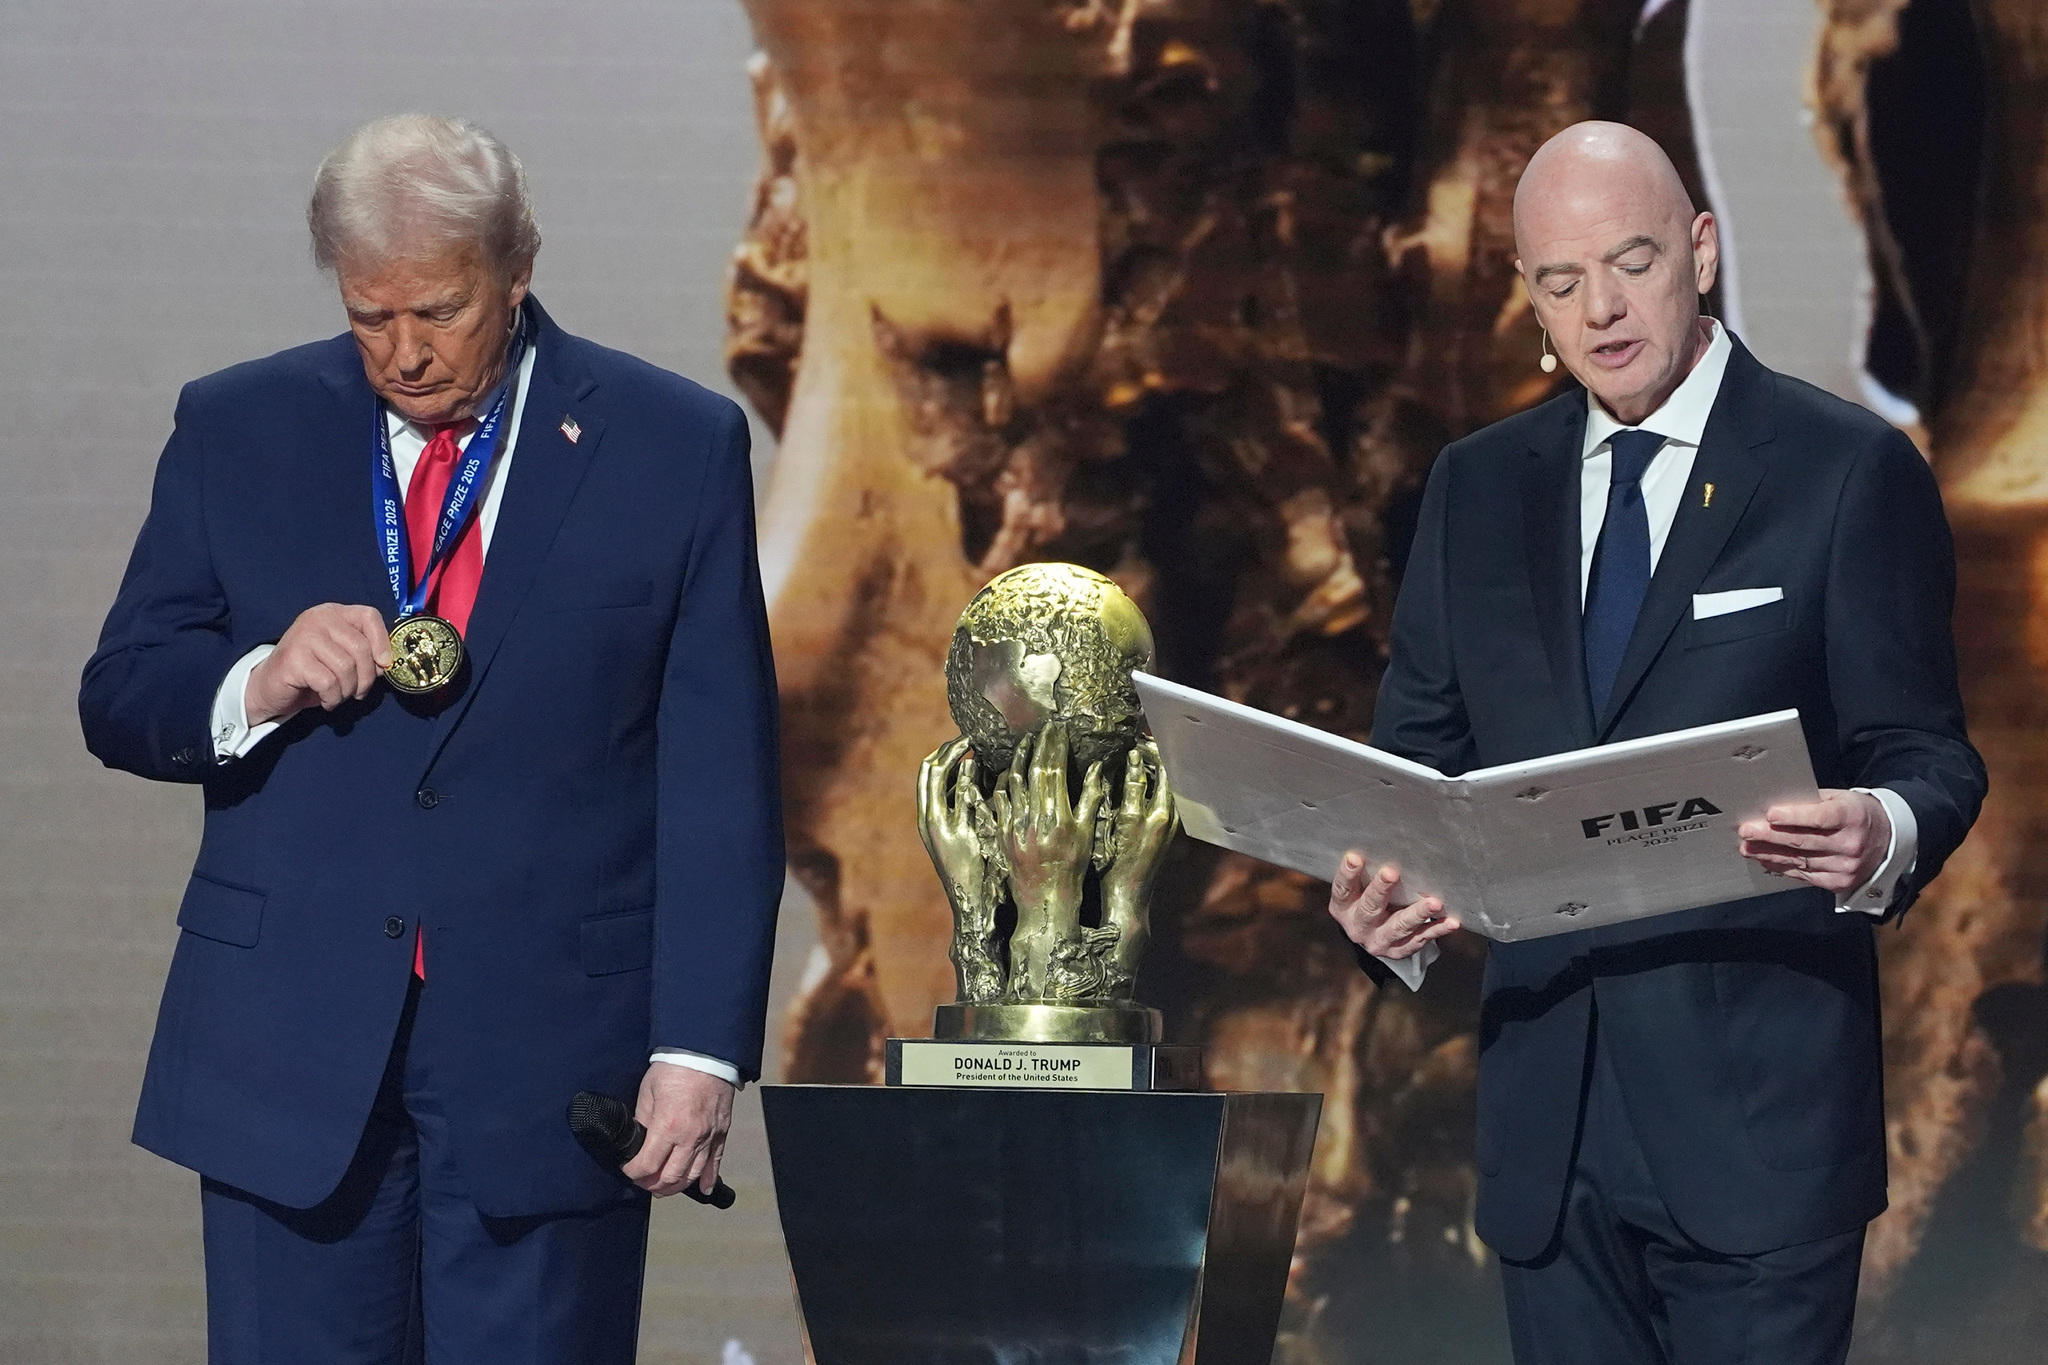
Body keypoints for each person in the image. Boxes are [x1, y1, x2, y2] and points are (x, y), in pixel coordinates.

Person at [79, 114, 783, 1365]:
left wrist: (697, 1049)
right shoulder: (239, 426)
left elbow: (720, 778)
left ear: (517, 272)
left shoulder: (671, 445)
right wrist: (259, 678)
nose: (402, 354)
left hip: (554, 1055)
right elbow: (122, 691)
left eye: (440, 313)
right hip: (283, 1052)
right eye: (369, 316)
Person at [1326, 122, 1985, 1365]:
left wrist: (1878, 829)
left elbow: (1927, 753)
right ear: (1527, 298)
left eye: (1627, 262)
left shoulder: (1842, 470)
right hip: (1547, 1125)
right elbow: (1412, 770)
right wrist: (1378, 905)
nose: (1599, 307)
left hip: (1757, 1130)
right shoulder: (1474, 488)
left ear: (1699, 250)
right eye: (1559, 280)